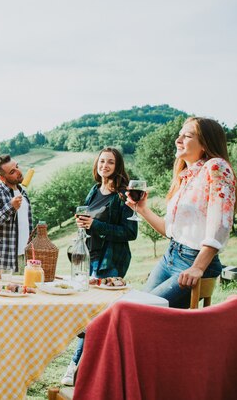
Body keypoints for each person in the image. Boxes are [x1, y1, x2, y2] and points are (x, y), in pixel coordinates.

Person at [128, 117, 237, 308]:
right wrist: (142, 210)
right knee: (131, 307)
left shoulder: (216, 167)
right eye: (179, 135)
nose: (177, 140)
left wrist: (198, 267)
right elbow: (170, 231)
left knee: (138, 312)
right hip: (170, 256)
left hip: (194, 261)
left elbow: (222, 223)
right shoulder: (186, 176)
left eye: (186, 136)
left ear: (205, 143)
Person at [61, 147, 138, 386]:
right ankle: (87, 366)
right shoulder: (94, 190)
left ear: (118, 166)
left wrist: (95, 225)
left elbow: (130, 232)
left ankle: (75, 365)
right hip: (88, 258)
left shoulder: (123, 195)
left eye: (110, 162)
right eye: (102, 161)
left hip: (110, 263)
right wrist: (83, 224)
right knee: (89, 313)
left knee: (93, 316)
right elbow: (88, 223)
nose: (105, 166)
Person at [0, 154, 34, 274]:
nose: (19, 172)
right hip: (4, 263)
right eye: (12, 172)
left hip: (25, 260)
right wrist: (10, 207)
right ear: (2, 178)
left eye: (17, 167)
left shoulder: (22, 192)